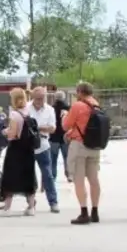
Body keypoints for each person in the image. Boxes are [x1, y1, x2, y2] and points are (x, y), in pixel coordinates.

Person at [64, 82, 106, 224]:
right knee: (94, 180)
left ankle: (84, 212)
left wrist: (65, 116)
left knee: (79, 180)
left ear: (80, 92)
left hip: (79, 145)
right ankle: (95, 212)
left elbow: (66, 125)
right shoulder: (96, 105)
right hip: (94, 147)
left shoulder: (78, 105)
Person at [0, 87, 40, 214]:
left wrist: (5, 131)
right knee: (28, 176)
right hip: (28, 150)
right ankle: (31, 207)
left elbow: (13, 135)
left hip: (16, 150)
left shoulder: (15, 115)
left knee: (10, 177)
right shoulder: (28, 112)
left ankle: (7, 208)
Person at [27, 85, 61, 215]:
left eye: (42, 98)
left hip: (43, 145)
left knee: (47, 174)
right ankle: (30, 203)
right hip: (29, 146)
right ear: (33, 97)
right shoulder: (26, 108)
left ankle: (53, 202)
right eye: (37, 98)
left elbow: (52, 128)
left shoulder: (50, 110)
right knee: (28, 176)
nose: (40, 101)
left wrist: (37, 128)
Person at [50, 88, 72, 182]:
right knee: (67, 157)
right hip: (65, 136)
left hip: (53, 137)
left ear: (55, 98)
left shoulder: (51, 108)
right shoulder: (68, 108)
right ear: (64, 98)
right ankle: (69, 175)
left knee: (53, 158)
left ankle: (53, 176)